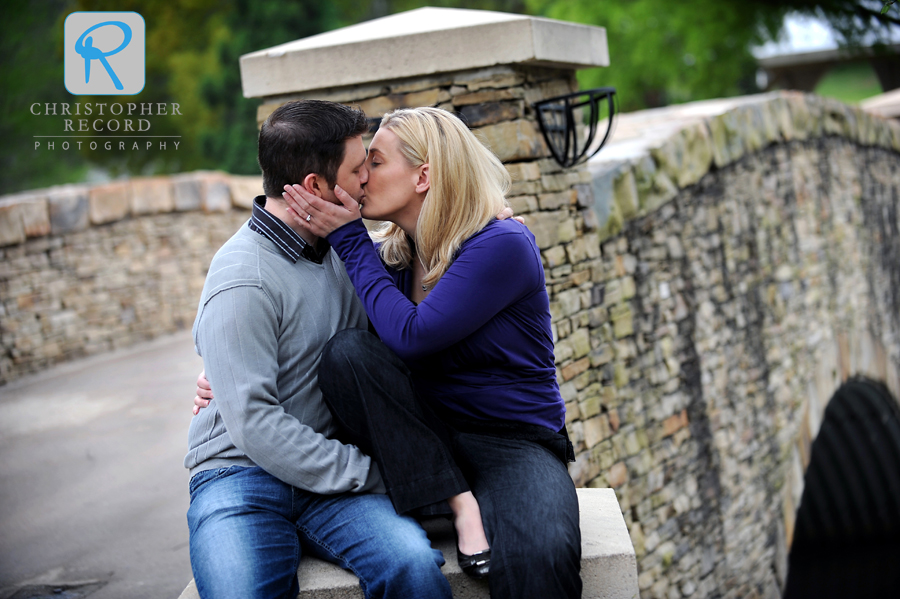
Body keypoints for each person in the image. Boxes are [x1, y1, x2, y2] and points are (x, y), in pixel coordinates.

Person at [280, 107, 583, 599]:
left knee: (542, 553)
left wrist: (349, 238)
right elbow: (306, 321)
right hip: (423, 443)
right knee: (348, 353)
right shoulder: (394, 257)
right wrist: (229, 370)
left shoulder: (501, 244)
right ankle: (457, 502)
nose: (360, 178)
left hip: (512, 442)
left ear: (423, 175)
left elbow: (413, 335)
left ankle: (464, 503)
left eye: (374, 163)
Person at [184, 100, 457, 599]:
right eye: (358, 170)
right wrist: (374, 474)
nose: (366, 182)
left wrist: (495, 222)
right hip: (239, 477)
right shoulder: (242, 278)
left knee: (414, 568)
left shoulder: (348, 248)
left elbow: (428, 272)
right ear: (314, 187)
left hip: (328, 484)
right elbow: (255, 424)